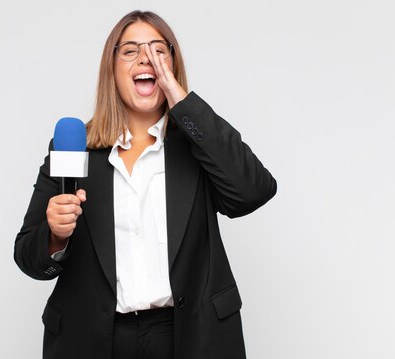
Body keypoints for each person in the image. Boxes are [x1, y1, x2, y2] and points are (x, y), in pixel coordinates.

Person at [14, 10, 277, 359]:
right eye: (131, 50)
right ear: (112, 68)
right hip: (94, 339)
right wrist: (54, 236)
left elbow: (253, 190)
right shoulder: (75, 150)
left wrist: (182, 101)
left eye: (157, 49)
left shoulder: (197, 146)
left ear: (172, 64)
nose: (145, 58)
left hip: (189, 336)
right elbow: (29, 259)